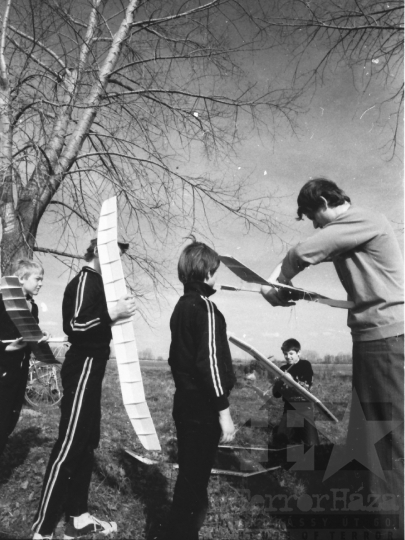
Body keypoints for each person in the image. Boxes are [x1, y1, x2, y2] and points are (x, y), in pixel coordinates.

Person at [261, 179, 404, 536]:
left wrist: (275, 282)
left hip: (385, 339)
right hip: (375, 339)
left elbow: (304, 252)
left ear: (325, 201)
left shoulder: (363, 219)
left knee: (384, 436)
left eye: (312, 215)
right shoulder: (355, 231)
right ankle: (384, 521)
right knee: (372, 434)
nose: (314, 224)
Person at [32, 239, 136, 540]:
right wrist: (112, 314)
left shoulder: (100, 285)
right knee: (70, 444)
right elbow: (75, 325)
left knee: (87, 441)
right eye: (113, 257)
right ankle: (43, 529)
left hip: (95, 368)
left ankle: (77, 517)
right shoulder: (84, 282)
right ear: (97, 253)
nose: (117, 263)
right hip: (82, 367)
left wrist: (116, 314)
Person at [166, 241, 236, 540]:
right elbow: (210, 364)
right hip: (202, 405)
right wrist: (224, 412)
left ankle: (178, 532)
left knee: (189, 477)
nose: (216, 277)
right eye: (215, 271)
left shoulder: (182, 306)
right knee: (195, 482)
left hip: (183, 401)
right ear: (207, 272)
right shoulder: (206, 308)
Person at [0, 259, 48, 458]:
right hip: (2, 369)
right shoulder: (2, 301)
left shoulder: (33, 307)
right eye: (37, 278)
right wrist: (6, 347)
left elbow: (26, 338)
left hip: (19, 374)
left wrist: (39, 337)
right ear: (21, 278)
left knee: (9, 421)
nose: (41, 283)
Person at [272, 338, 320, 448]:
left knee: (313, 445)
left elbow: (306, 386)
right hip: (289, 409)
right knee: (280, 443)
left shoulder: (305, 365)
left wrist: (290, 380)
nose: (288, 356)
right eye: (285, 354)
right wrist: (278, 383)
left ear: (299, 353)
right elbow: (276, 394)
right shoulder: (282, 368)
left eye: (291, 353)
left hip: (304, 409)